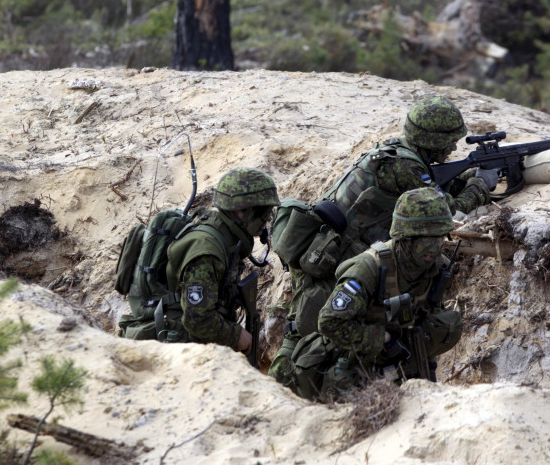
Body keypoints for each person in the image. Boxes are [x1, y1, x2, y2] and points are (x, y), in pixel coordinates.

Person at [269, 95, 492, 383]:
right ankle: (282, 389)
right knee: (310, 333)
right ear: (430, 140)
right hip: (334, 261)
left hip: (332, 251)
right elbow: (443, 210)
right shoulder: (405, 167)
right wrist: (480, 186)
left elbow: (436, 187)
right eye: (449, 140)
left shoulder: (398, 151)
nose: (453, 147)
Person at [277, 187, 462, 401]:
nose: (435, 247)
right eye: (427, 240)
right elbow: (329, 322)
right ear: (406, 237)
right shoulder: (370, 267)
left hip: (397, 359)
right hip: (350, 359)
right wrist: (381, 339)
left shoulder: (437, 267)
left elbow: (427, 316)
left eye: (440, 238)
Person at [164, 167, 279, 352]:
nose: (267, 220)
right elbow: (197, 320)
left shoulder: (227, 239)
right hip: (170, 347)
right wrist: (234, 335)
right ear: (241, 211)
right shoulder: (208, 253)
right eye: (263, 213)